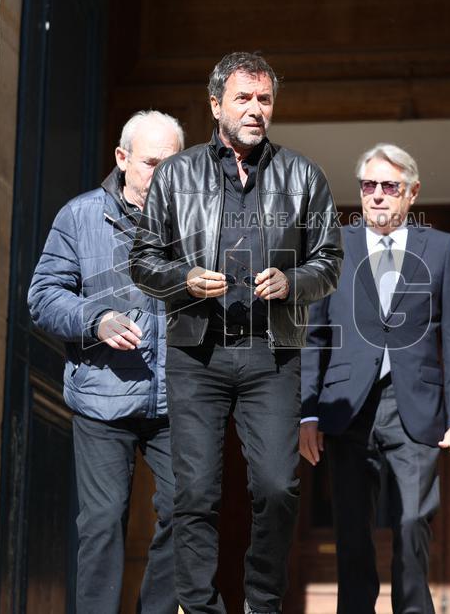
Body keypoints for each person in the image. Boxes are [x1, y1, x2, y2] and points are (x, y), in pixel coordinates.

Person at [129, 52, 343, 614]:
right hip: (197, 353)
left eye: (264, 99)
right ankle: (201, 608)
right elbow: (143, 262)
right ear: (215, 105)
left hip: (271, 356)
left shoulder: (303, 175)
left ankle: (262, 603)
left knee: (277, 486)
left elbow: (329, 262)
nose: (255, 109)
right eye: (243, 98)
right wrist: (184, 279)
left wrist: (293, 282)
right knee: (194, 492)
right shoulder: (176, 176)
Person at [299, 144, 450, 614]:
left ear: (412, 193)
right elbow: (314, 336)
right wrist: (308, 413)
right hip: (346, 410)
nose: (377, 195)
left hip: (413, 406)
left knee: (413, 521)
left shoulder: (441, 248)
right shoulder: (332, 245)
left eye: (389, 186)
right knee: (352, 531)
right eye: (368, 185)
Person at [27, 110, 184, 614]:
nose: (163, 175)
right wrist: (96, 320)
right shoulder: (79, 216)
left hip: (177, 398)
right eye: (152, 163)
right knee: (101, 523)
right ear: (122, 158)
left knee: (189, 511)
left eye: (173, 164)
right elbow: (43, 296)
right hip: (102, 395)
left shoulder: (201, 220)